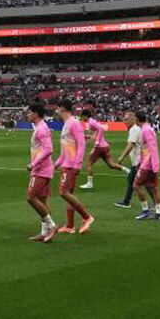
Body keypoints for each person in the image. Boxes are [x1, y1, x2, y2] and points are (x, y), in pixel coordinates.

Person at [54, 99, 94, 234]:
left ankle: (87, 217)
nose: (56, 111)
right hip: (66, 164)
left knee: (63, 192)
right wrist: (57, 163)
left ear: (62, 108)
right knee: (69, 194)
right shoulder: (66, 124)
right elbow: (65, 149)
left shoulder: (73, 123)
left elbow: (81, 144)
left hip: (71, 165)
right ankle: (70, 226)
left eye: (58, 108)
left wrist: (77, 164)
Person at [25, 103, 59, 243]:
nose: (27, 115)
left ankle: (52, 225)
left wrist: (33, 164)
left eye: (29, 112)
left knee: (31, 197)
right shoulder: (40, 128)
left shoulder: (41, 129)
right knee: (43, 200)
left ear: (35, 114)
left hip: (41, 169)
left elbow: (48, 149)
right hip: (44, 169)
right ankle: (44, 233)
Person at [79, 109, 125, 189]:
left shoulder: (91, 122)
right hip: (105, 146)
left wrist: (96, 145)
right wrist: (86, 137)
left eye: (82, 116)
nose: (82, 118)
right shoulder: (92, 122)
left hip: (99, 147)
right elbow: (95, 134)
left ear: (85, 116)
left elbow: (101, 128)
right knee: (111, 165)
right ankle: (129, 171)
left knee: (89, 163)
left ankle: (90, 184)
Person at [132, 111, 160, 221]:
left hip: (148, 164)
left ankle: (145, 211)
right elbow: (147, 148)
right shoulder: (147, 129)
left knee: (136, 185)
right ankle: (159, 212)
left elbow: (152, 148)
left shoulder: (145, 130)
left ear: (137, 119)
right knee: (152, 187)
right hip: (148, 162)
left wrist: (155, 165)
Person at [113, 111, 142, 208]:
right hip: (139, 161)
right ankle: (157, 203)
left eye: (126, 119)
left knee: (134, 181)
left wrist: (121, 157)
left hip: (138, 162)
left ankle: (126, 202)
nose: (124, 121)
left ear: (132, 120)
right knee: (134, 180)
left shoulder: (134, 129)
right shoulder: (135, 129)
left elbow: (131, 144)